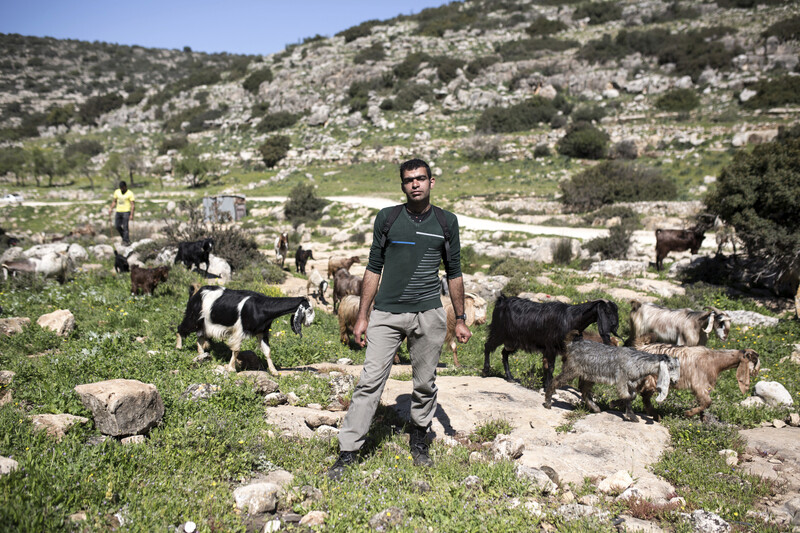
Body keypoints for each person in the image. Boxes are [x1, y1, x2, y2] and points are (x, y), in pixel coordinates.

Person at [327, 158, 472, 481]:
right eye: (409, 180)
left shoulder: (447, 223)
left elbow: (454, 272)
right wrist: (362, 316)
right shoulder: (388, 219)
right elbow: (373, 268)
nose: (416, 184)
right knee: (369, 382)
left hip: (429, 314)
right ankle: (348, 451)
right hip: (387, 313)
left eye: (421, 178)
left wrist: (460, 318)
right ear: (402, 185)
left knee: (424, 383)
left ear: (431, 182)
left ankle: (419, 439)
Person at [109, 181, 135, 245]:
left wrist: (131, 214)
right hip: (118, 211)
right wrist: (111, 208)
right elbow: (114, 201)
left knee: (125, 226)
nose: (122, 189)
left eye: (123, 188)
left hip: (126, 211)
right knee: (117, 226)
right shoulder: (117, 192)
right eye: (121, 188)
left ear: (125, 187)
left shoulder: (130, 193)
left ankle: (126, 241)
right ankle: (125, 238)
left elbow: (132, 205)